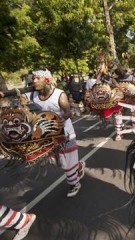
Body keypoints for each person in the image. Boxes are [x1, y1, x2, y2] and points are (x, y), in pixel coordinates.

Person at [21, 69, 84, 197]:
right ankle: (78, 167)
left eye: (37, 78)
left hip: (64, 134)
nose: (34, 81)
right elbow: (21, 98)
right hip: (46, 136)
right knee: (56, 162)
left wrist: (56, 122)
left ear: (47, 80)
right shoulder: (33, 95)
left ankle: (74, 184)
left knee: (66, 163)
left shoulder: (59, 95)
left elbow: (68, 112)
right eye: (33, 78)